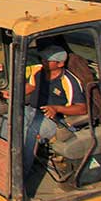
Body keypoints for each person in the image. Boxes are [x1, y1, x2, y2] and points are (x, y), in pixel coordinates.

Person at [19, 46, 87, 177]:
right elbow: (31, 86)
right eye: (42, 58)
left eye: (47, 60)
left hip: (54, 119)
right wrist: (12, 93)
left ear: (60, 63)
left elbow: (82, 108)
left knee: (30, 133)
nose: (43, 61)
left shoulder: (69, 81)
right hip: (33, 110)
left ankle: (21, 173)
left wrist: (56, 108)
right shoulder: (38, 71)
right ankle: (3, 160)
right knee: (10, 121)